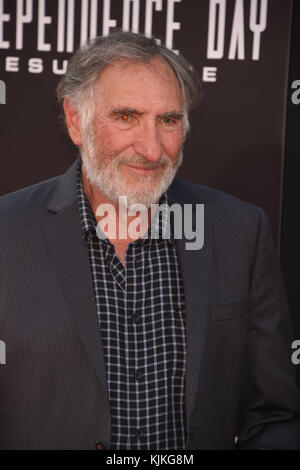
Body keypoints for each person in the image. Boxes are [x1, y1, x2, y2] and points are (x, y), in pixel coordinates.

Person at [0, 31, 299, 451]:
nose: (152, 148)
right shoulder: (7, 233)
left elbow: (276, 415)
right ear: (75, 120)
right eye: (126, 117)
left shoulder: (238, 230)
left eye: (168, 120)